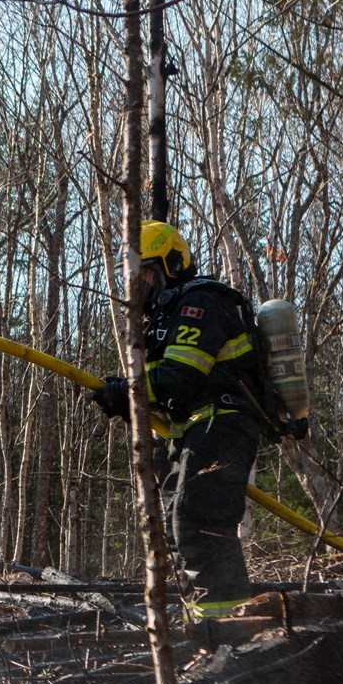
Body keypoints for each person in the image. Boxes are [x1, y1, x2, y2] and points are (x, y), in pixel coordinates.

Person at [91, 221, 266, 620]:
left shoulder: (199, 303)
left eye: (147, 275)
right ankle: (205, 626)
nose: (140, 287)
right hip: (195, 430)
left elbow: (181, 376)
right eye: (133, 279)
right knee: (180, 526)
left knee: (199, 523)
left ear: (172, 265)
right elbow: (167, 389)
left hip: (220, 424)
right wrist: (129, 398)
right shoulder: (166, 316)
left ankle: (228, 634)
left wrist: (126, 391)